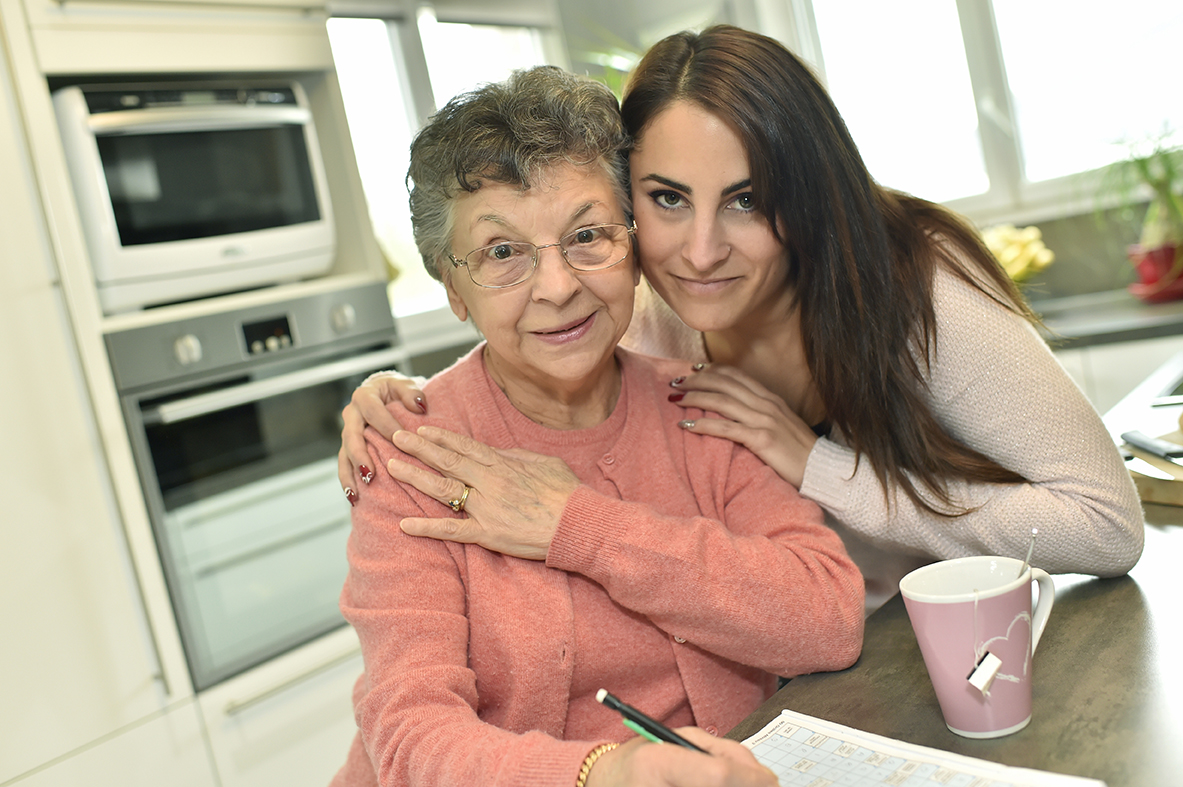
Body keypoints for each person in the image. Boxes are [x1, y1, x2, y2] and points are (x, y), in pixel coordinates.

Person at [340, 25, 1144, 611]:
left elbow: (1106, 526)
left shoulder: (913, 291)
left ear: (809, 192)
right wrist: (401, 396)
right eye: (665, 199)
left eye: (746, 200)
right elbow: (528, 336)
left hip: (959, 648)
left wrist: (819, 465)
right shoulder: (648, 320)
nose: (698, 251)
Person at [330, 65, 865, 787]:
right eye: (501, 252)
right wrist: (602, 772)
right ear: (452, 287)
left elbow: (826, 618)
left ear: (634, 250)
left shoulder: (699, 405)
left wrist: (578, 525)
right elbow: (409, 734)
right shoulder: (410, 455)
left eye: (587, 235)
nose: (557, 287)